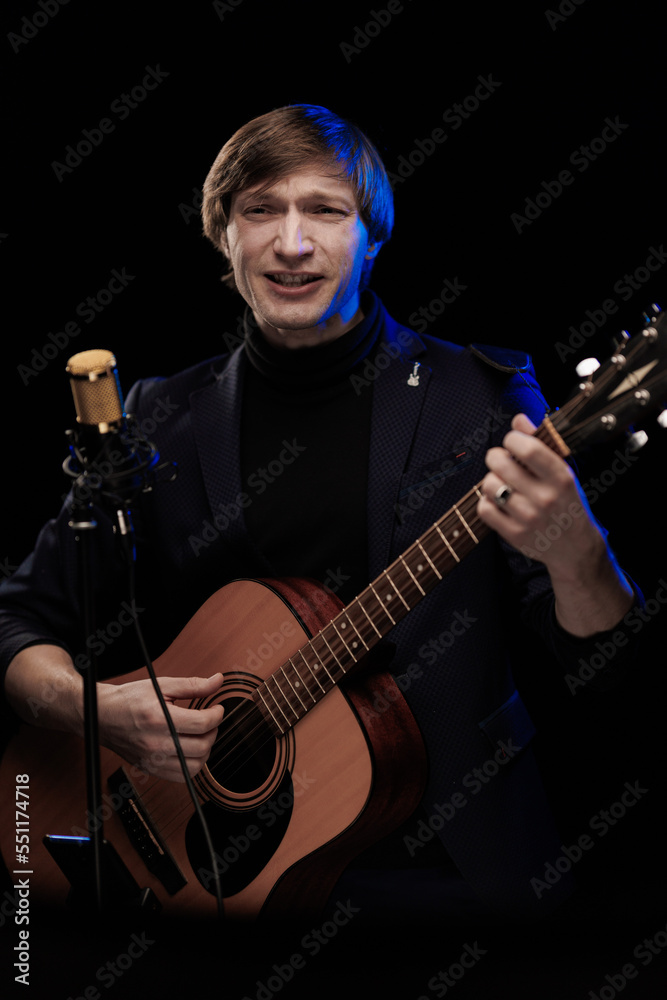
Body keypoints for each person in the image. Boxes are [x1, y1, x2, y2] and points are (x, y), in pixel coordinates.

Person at [0, 104, 640, 923]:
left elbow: (607, 673)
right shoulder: (158, 418)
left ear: (372, 236)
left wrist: (579, 554)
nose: (291, 243)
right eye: (260, 210)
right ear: (223, 236)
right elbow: (17, 621)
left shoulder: (479, 398)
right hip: (214, 888)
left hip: (453, 871)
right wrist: (93, 713)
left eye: (325, 210)